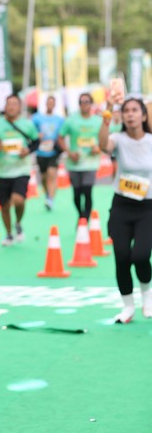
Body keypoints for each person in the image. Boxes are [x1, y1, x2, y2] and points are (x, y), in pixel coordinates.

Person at [99, 94, 152, 323]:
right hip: (121, 206)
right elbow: (103, 146)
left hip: (147, 208)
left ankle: (147, 296)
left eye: (135, 110)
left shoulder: (150, 141)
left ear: (143, 116)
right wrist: (108, 111)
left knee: (141, 255)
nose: (130, 114)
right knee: (121, 256)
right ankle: (128, 306)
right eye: (126, 110)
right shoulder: (118, 139)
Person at [0, 93, 39, 246]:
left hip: (22, 169)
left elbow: (36, 141)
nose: (11, 107)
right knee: (5, 206)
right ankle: (9, 234)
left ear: (20, 107)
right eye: (9, 104)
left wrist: (28, 150)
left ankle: (18, 222)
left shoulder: (27, 124)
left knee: (18, 200)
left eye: (14, 104)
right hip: (3, 171)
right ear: (5, 106)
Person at [57, 92, 101, 221]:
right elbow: (60, 138)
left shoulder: (98, 121)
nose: (84, 104)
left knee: (87, 191)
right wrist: (69, 152)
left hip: (91, 162)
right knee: (77, 193)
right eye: (81, 102)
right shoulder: (71, 120)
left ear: (91, 104)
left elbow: (105, 138)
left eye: (87, 102)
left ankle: (84, 219)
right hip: (74, 163)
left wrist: (98, 148)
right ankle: (81, 214)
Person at [31, 95, 64, 210]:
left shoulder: (59, 120)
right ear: (45, 104)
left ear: (54, 105)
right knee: (44, 177)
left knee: (52, 174)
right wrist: (37, 135)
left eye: (52, 103)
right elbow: (31, 131)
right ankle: (47, 194)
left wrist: (61, 144)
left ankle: (50, 199)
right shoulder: (37, 118)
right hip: (41, 152)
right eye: (48, 102)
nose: (50, 105)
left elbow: (62, 134)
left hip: (54, 151)